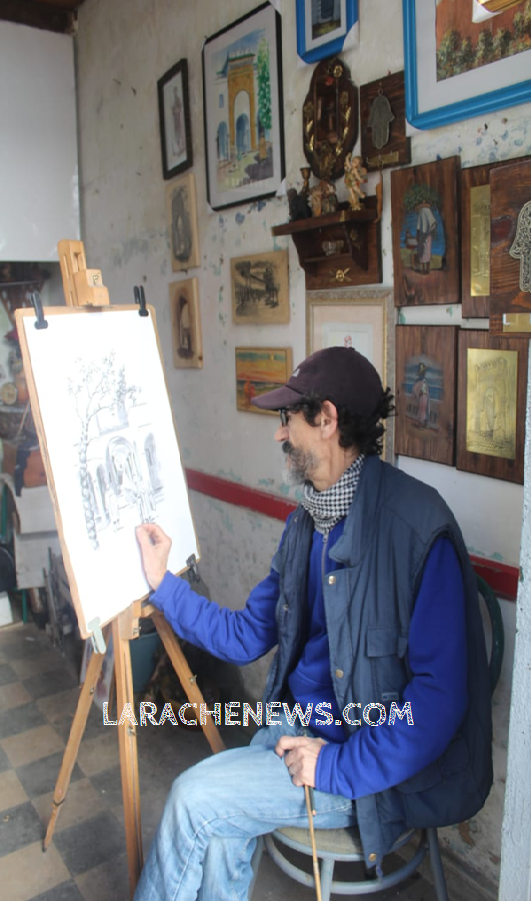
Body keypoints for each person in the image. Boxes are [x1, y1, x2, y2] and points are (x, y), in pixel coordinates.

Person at [134, 346, 492, 901]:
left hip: (361, 763)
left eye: (288, 418)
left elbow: (438, 705)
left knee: (192, 800)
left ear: (326, 420)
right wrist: (163, 584)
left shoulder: (418, 530)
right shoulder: (307, 522)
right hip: (294, 729)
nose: (280, 433)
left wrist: (335, 766)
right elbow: (247, 634)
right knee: (219, 830)